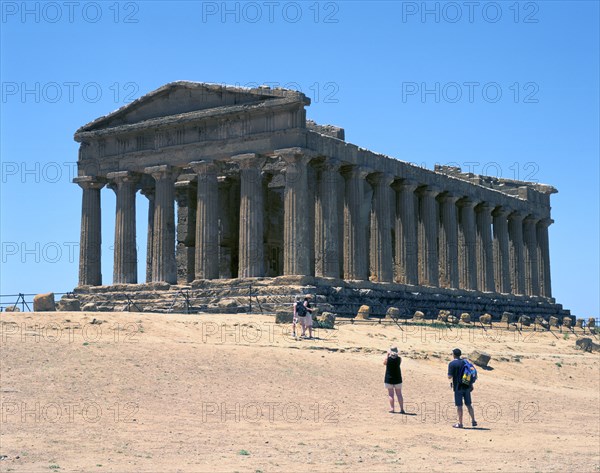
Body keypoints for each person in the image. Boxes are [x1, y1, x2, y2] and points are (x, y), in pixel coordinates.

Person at [447, 348, 477, 428]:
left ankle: (460, 423)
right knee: (469, 404)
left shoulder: (452, 364)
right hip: (467, 386)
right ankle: (473, 420)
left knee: (459, 405)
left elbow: (449, 377)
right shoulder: (465, 362)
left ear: (454, 355)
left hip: (458, 387)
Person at [383, 346, 404, 413]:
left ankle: (392, 408)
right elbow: (398, 363)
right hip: (398, 378)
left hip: (389, 379)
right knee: (399, 394)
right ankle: (402, 409)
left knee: (391, 394)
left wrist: (387, 355)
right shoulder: (399, 359)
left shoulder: (387, 359)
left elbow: (384, 363)